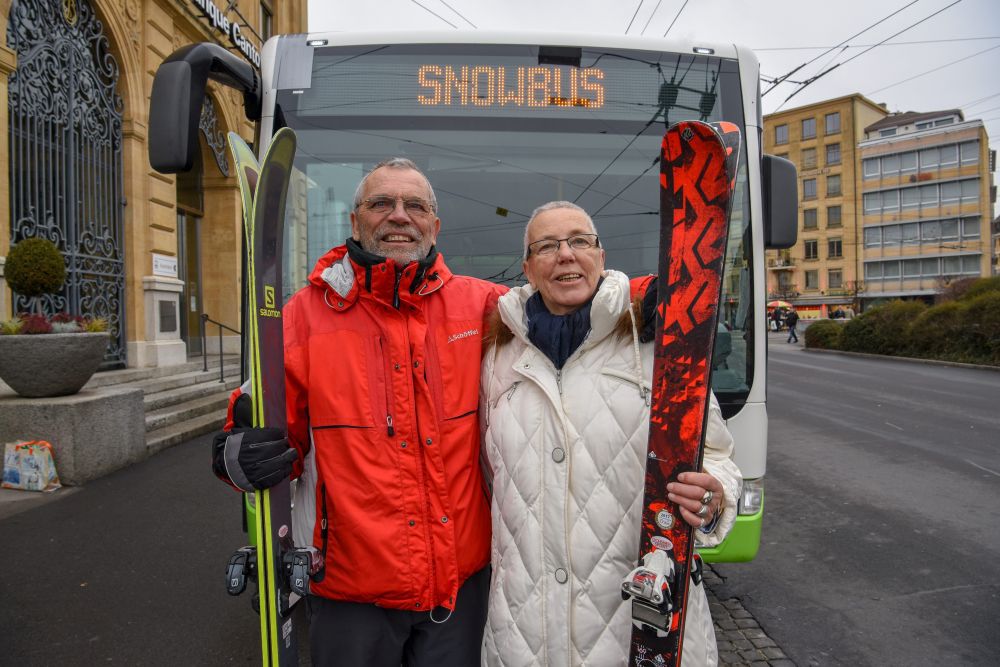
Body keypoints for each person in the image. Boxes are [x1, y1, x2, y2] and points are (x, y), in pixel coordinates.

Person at [213, 158, 505, 666]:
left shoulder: (481, 306)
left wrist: (643, 297)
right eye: (381, 204)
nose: (399, 216)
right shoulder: (301, 318)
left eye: (415, 205)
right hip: (351, 593)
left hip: (460, 589)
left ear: (434, 226)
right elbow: (254, 426)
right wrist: (239, 454)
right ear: (355, 222)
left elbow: (564, 304)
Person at [479, 201, 742, 666]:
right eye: (547, 246)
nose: (565, 255)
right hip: (524, 627)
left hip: (637, 620)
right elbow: (489, 474)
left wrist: (716, 492)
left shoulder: (659, 343)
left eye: (579, 241)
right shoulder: (498, 357)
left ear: (601, 256)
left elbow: (717, 454)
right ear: (528, 268)